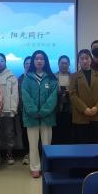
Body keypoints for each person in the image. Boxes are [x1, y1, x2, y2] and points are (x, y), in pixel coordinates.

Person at [21, 50, 58, 178]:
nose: (39, 61)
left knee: (47, 144)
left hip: (47, 117)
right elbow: (25, 96)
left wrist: (43, 111)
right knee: (33, 145)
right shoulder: (27, 78)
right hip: (31, 117)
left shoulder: (51, 78)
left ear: (45, 61)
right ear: (33, 61)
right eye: (36, 58)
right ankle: (35, 167)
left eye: (42, 58)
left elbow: (53, 97)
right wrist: (33, 111)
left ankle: (47, 166)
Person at [69, 49, 98, 144]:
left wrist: (97, 107)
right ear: (78, 61)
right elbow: (72, 94)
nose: (85, 61)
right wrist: (84, 108)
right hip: (81, 115)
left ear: (91, 59)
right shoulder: (74, 76)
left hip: (96, 114)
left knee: (97, 143)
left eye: (87, 58)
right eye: (82, 59)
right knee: (82, 144)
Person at [0, 53, 19, 164]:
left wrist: (13, 109)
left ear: (5, 62)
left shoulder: (11, 76)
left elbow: (15, 94)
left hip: (8, 110)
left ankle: (9, 154)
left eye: (2, 61)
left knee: (9, 133)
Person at [53, 55, 73, 144]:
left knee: (69, 133)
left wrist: (70, 91)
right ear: (58, 64)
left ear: (69, 64)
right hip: (56, 109)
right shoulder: (53, 77)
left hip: (70, 109)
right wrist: (58, 91)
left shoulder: (73, 77)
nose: (64, 65)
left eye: (66, 63)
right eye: (62, 63)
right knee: (57, 133)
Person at [17, 56, 32, 165]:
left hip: (37, 111)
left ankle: (37, 154)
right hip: (24, 111)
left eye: (30, 63)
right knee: (25, 133)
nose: (29, 65)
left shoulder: (39, 78)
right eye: (26, 63)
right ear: (24, 65)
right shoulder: (20, 79)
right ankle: (26, 154)